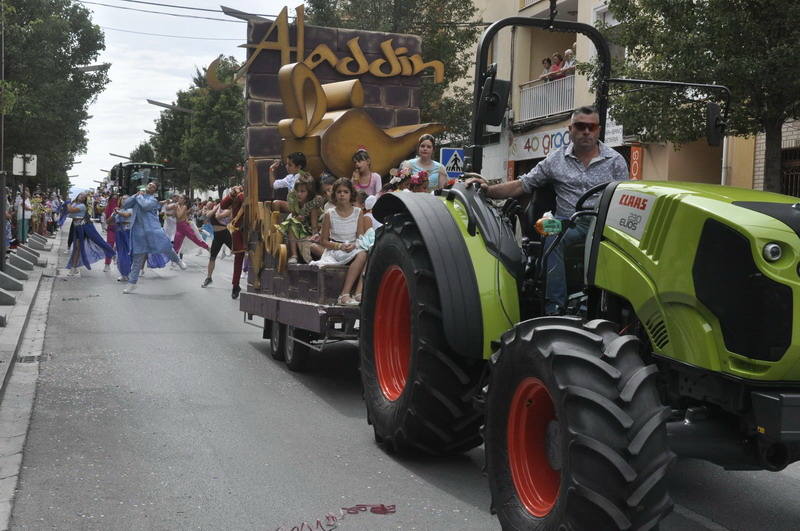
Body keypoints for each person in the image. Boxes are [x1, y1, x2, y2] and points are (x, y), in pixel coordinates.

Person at [467, 106, 629, 315]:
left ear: (598, 130)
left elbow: (624, 199)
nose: (586, 131)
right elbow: (522, 185)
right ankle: (555, 308)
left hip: (603, 224)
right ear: (570, 129)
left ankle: (607, 306)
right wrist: (488, 190)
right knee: (550, 232)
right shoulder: (555, 159)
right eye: (581, 126)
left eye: (592, 127)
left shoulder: (615, 161)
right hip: (565, 221)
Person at [122, 181, 186, 294]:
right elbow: (126, 205)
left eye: (152, 187)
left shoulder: (152, 200)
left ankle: (177, 260)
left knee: (165, 246)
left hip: (152, 229)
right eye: (149, 185)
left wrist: (139, 196)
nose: (150, 187)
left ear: (154, 191)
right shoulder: (138, 196)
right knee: (138, 258)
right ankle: (132, 283)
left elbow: (145, 206)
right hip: (138, 232)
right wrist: (134, 196)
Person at [311, 178, 367, 306]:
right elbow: (324, 241)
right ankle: (344, 295)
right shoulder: (329, 214)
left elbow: (360, 236)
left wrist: (354, 245)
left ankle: (357, 292)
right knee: (362, 254)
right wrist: (339, 246)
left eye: (346, 192)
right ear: (334, 194)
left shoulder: (358, 212)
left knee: (365, 252)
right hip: (335, 250)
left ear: (351, 194)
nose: (342, 194)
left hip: (352, 248)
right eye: (339, 192)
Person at [278, 173, 325, 264]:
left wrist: (314, 235)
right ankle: (294, 255)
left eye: (302, 191)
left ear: (309, 192)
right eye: (297, 191)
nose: (299, 194)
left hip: (314, 229)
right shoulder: (294, 202)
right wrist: (297, 219)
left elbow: (314, 225)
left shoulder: (313, 205)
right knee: (292, 224)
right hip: (302, 227)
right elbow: (294, 215)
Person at [64, 192, 116, 276]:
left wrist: (67, 202)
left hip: (83, 227)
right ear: (78, 196)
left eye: (84, 197)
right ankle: (74, 268)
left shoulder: (82, 206)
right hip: (76, 227)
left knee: (97, 240)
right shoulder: (75, 204)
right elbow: (69, 212)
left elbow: (70, 210)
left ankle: (112, 252)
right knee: (76, 248)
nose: (82, 197)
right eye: (80, 195)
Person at [219, 185, 246, 299]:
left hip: (253, 230)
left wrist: (239, 193)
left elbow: (245, 201)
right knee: (238, 259)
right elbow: (223, 205)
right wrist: (231, 194)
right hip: (239, 231)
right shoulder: (238, 195)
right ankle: (235, 285)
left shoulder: (246, 193)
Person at [111, 195, 133, 282]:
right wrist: (113, 214)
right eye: (123, 198)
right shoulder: (118, 210)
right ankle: (123, 274)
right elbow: (109, 221)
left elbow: (127, 215)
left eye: (127, 199)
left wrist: (118, 212)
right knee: (120, 253)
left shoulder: (131, 209)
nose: (124, 200)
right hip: (119, 232)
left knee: (128, 253)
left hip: (128, 232)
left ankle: (128, 273)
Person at [102, 193, 119, 272]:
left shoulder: (121, 207)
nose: (114, 200)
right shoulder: (108, 206)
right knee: (109, 246)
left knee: (120, 247)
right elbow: (105, 218)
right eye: (113, 198)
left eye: (116, 199)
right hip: (111, 228)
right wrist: (105, 226)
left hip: (120, 229)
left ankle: (119, 262)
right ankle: (107, 264)